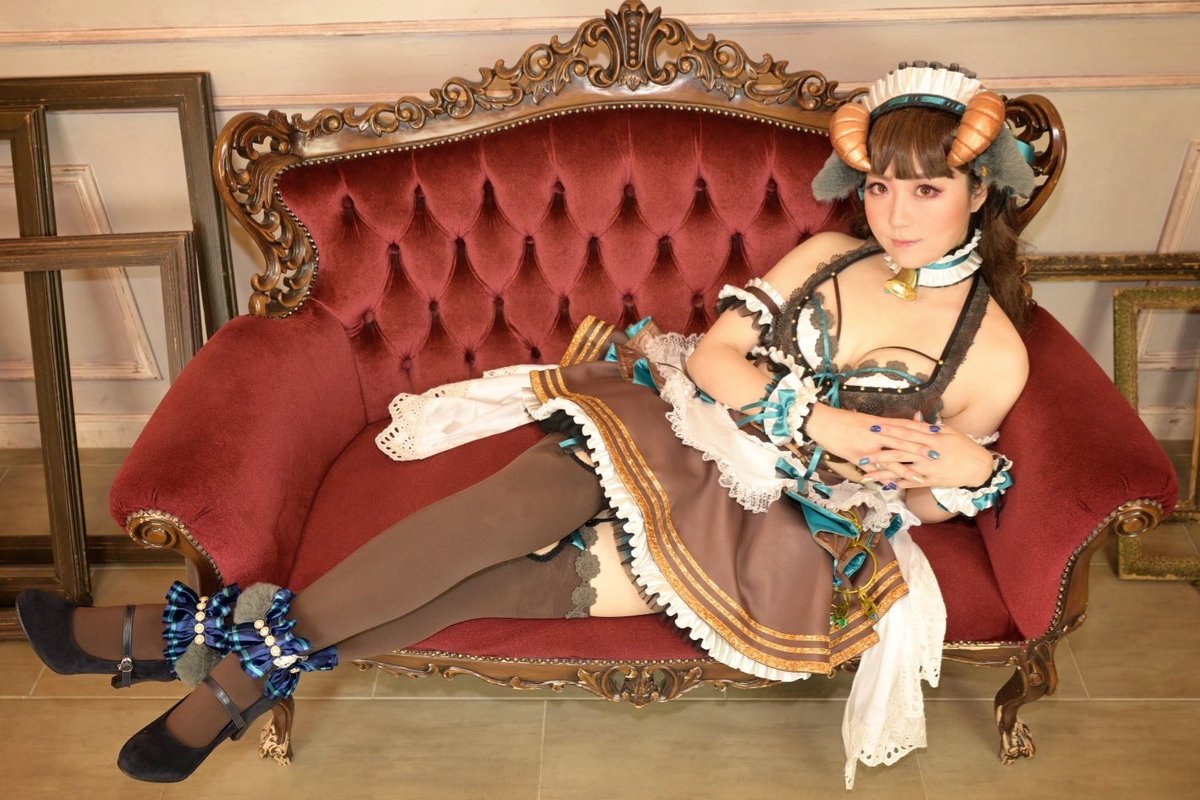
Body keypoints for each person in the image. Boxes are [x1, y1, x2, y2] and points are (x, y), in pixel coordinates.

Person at [16, 61, 1036, 788]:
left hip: (784, 527)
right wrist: (815, 413)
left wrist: (963, 469)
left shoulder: (993, 353)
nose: (897, 214)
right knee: (509, 507)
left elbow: (908, 506)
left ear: (979, 187)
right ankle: (222, 664)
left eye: (927, 189)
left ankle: (200, 647)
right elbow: (718, 360)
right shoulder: (827, 257)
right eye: (883, 186)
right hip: (690, 424)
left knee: (528, 583)